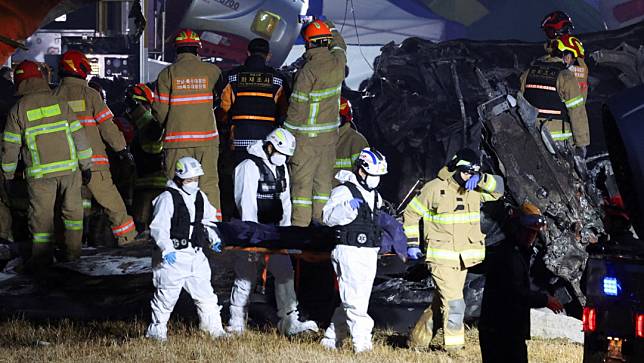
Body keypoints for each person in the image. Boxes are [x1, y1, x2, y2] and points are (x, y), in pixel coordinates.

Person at [404, 148, 504, 351]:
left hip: (462, 260)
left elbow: (499, 189)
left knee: (442, 305)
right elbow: (412, 213)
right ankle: (454, 349)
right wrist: (412, 243)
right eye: (466, 172)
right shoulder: (434, 188)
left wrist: (482, 179)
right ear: (455, 168)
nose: (469, 176)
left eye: (473, 173)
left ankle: (416, 341)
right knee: (456, 305)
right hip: (440, 259)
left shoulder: (474, 190)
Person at [1, 60, 93, 266]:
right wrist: (86, 166)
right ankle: (73, 255)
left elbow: (10, 148)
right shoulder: (59, 102)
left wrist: (7, 176)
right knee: (73, 215)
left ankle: (42, 260)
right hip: (70, 171)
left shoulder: (18, 109)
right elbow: (79, 136)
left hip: (40, 176)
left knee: (41, 219)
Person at [229, 127, 318, 335]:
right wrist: (252, 239)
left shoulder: (281, 168)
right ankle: (236, 322)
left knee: (285, 273)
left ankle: (289, 319)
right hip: (252, 232)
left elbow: (285, 201)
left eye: (286, 156)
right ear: (269, 146)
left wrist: (286, 235)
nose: (283, 158)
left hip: (275, 232)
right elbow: (246, 204)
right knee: (246, 277)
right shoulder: (248, 167)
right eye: (280, 153)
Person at [53, 50, 137, 246]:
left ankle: (71, 245)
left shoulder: (53, 96)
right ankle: (128, 239)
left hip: (65, 165)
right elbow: (108, 126)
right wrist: (122, 150)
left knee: (69, 207)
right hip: (94, 162)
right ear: (81, 68)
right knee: (111, 202)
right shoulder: (90, 95)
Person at [146, 156, 227, 341]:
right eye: (189, 180)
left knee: (206, 295)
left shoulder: (200, 196)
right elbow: (159, 227)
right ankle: (156, 331)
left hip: (196, 256)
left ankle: (214, 329)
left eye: (196, 179)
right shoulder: (167, 198)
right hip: (173, 258)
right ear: (180, 178)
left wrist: (214, 238)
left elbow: (208, 219)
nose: (193, 183)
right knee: (166, 297)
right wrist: (167, 250)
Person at [320, 148, 387, 353]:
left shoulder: (375, 195)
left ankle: (331, 338)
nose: (376, 180)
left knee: (355, 299)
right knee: (355, 302)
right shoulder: (344, 191)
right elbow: (327, 218)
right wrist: (347, 207)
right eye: (373, 175)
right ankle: (363, 345)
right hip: (348, 250)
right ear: (361, 171)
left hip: (368, 252)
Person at [152, 29, 226, 218]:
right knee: (209, 183)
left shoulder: (167, 74)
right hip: (207, 140)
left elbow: (160, 111)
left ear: (177, 50)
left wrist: (169, 125)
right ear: (197, 49)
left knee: (177, 185)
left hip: (177, 141)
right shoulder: (213, 71)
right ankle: (213, 228)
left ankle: (180, 226)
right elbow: (223, 103)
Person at [479, 202, 564, 363]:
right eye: (528, 232)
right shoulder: (509, 255)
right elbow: (515, 293)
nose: (531, 237)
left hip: (507, 331)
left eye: (534, 233)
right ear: (516, 227)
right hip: (500, 332)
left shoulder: (517, 253)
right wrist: (546, 300)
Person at [285, 19, 346, 227]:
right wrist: (329, 26)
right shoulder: (339, 62)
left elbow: (297, 108)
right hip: (329, 140)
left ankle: (300, 236)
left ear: (309, 44)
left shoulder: (308, 71)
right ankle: (322, 232)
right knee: (323, 188)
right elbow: (341, 46)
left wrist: (286, 134)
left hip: (305, 141)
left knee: (301, 190)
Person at [220, 38, 289, 164]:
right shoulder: (278, 79)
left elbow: (224, 108)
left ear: (248, 53)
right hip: (267, 140)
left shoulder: (232, 76)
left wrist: (228, 128)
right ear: (268, 56)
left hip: (239, 139)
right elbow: (284, 111)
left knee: (241, 176)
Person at [520, 35, 590, 154]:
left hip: (532, 138)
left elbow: (520, 103)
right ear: (567, 56)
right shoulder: (566, 77)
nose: (572, 63)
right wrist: (581, 144)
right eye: (573, 59)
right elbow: (577, 112)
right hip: (560, 143)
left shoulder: (528, 73)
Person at [126, 83, 166, 231]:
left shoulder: (152, 125)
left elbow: (152, 131)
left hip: (152, 186)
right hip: (143, 186)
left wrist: (137, 108)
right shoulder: (135, 125)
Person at [541, 11, 589, 99]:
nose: (548, 35)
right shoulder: (573, 43)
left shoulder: (561, 44)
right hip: (578, 91)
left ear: (557, 29)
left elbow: (556, 63)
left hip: (567, 92)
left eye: (549, 31)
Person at [334, 97, 368, 174]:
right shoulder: (318, 139)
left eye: (335, 118)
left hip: (344, 186)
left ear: (344, 118)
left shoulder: (356, 141)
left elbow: (362, 175)